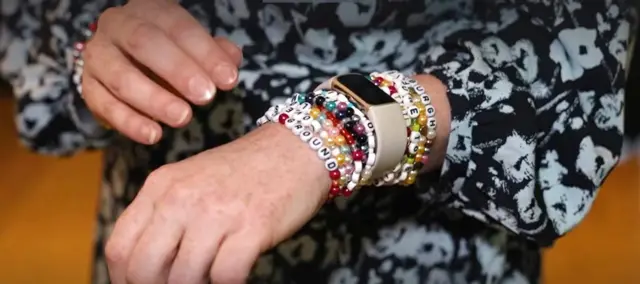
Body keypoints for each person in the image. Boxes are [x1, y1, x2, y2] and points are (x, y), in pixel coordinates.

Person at [0, 0, 633, 283]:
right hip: (168, 233)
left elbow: (569, 56)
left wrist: (339, 129)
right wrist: (95, 33)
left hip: (426, 248)